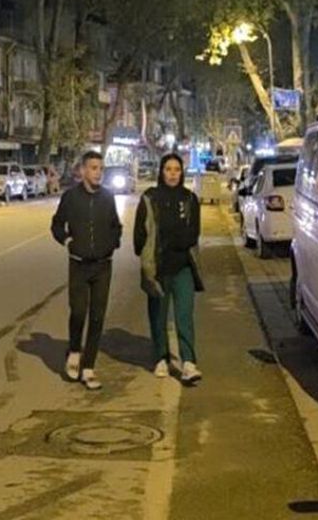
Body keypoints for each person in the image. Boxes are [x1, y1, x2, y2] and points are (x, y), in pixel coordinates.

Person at [50, 150, 123, 390]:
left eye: (100, 168)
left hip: (103, 265)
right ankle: (74, 350)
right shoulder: (71, 197)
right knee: (79, 311)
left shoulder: (107, 198)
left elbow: (116, 225)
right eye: (93, 168)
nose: (98, 173)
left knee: (97, 316)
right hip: (79, 264)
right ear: (82, 171)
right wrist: (68, 241)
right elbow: (57, 225)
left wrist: (112, 243)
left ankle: (89, 366)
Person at [134, 153, 203, 386]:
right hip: (158, 267)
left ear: (182, 173)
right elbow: (140, 231)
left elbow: (193, 233)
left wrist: (176, 242)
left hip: (183, 266)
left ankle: (188, 362)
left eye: (176, 169)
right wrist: (144, 255)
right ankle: (161, 357)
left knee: (184, 314)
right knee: (158, 315)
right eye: (168, 169)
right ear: (161, 172)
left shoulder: (190, 199)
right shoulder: (150, 198)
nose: (173, 174)